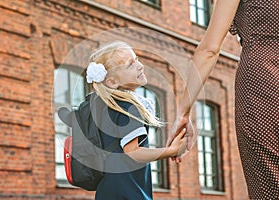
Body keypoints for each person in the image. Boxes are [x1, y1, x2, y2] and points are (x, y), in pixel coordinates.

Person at [166, 0, 279, 199]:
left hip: (261, 88)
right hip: (263, 86)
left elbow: (209, 50)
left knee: (269, 187)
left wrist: (184, 111)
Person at [84, 41, 187, 200]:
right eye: (130, 64)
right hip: (129, 193)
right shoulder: (129, 107)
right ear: (112, 81)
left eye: (137, 59)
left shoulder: (102, 106)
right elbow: (132, 152)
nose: (140, 65)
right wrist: (171, 151)